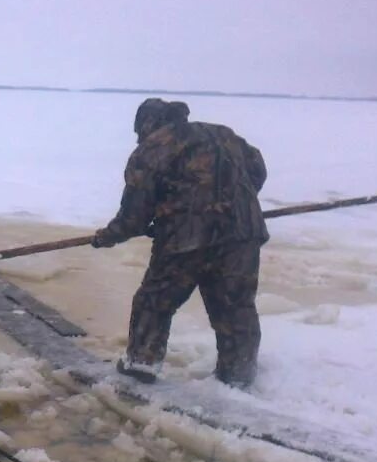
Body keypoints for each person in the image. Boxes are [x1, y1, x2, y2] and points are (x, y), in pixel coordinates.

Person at [92, 98, 268, 388]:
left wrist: (107, 236)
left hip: (186, 239)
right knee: (236, 308)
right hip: (242, 235)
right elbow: (256, 171)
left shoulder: (152, 149)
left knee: (154, 301)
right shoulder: (223, 134)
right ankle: (239, 375)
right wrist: (231, 203)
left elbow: (134, 215)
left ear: (146, 124)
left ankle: (141, 364)